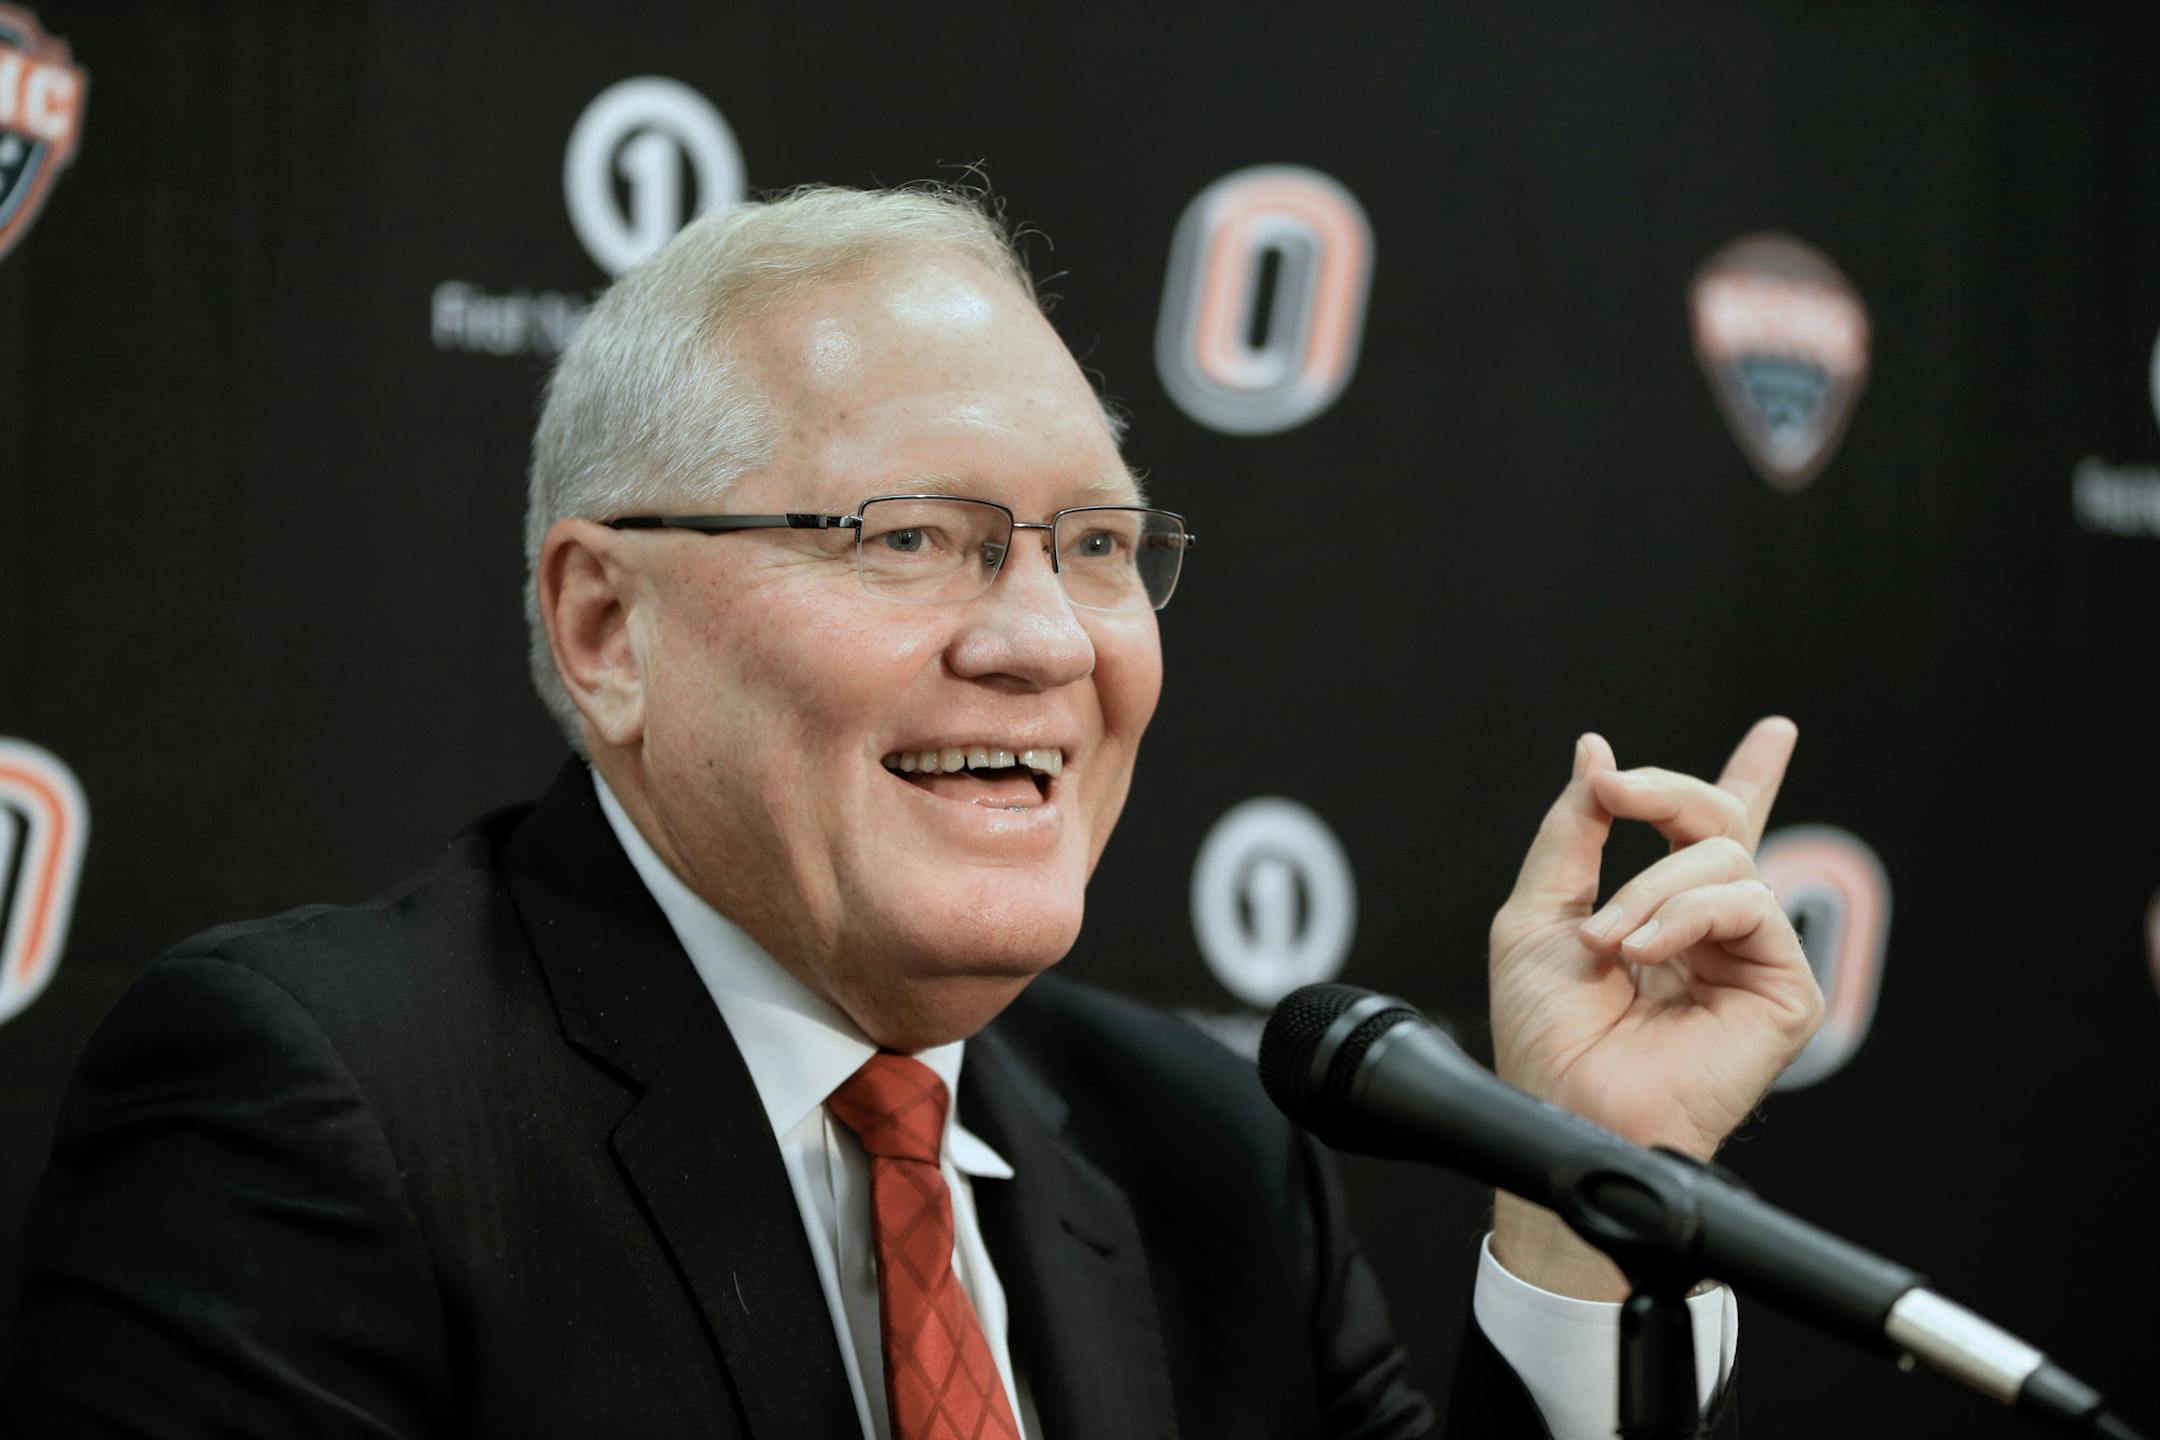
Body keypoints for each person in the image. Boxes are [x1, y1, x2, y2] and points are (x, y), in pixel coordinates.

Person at [3, 185, 1823, 1437]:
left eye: (1098, 548)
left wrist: (1593, 1191)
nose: (1043, 640)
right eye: (910, 541)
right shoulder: (325, 1108)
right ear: (605, 625)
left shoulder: (1204, 1155)